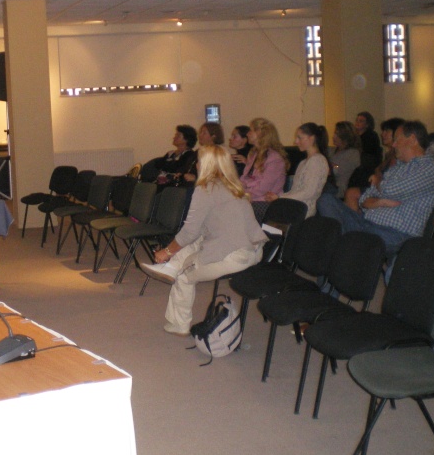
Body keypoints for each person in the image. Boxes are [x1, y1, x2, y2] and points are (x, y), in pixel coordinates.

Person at [140, 145, 267, 336]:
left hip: (233, 255)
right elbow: (198, 232)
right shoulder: (232, 186)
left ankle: (179, 324)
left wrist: (166, 251)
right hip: (253, 249)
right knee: (195, 242)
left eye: (199, 161)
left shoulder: (206, 189)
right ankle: (171, 266)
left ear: (206, 165)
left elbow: (189, 231)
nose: (197, 165)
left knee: (184, 276)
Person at [316, 120, 434, 257]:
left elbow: (391, 190)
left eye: (397, 140)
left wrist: (378, 183)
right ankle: (344, 245)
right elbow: (364, 199)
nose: (393, 145)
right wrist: (379, 202)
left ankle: (342, 246)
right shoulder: (398, 167)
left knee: (338, 235)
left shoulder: (429, 169)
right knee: (325, 199)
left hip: (395, 234)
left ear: (412, 139)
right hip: (366, 223)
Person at [266, 123, 330, 217]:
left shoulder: (317, 161)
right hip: (295, 207)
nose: (296, 141)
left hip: (303, 211)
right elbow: (295, 191)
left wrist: (280, 198)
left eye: (300, 138)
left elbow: (308, 192)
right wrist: (278, 196)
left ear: (311, 138)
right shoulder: (303, 163)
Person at [344, 117, 405, 211]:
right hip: (377, 187)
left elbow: (387, 176)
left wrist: (378, 175)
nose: (382, 134)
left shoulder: (399, 155)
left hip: (385, 190)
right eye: (383, 131)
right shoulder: (389, 154)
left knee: (351, 193)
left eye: (387, 131)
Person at [240, 117, 289, 222]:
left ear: (260, 133)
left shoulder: (274, 159)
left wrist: (244, 193)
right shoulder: (253, 154)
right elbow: (244, 179)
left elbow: (263, 188)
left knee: (235, 209)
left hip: (266, 202)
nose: (248, 134)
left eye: (251, 130)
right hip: (251, 198)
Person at [328, 121, 361, 199]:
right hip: (328, 185)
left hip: (338, 188)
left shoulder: (353, 154)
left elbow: (339, 171)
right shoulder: (332, 150)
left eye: (336, 134)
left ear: (345, 137)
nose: (333, 137)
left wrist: (329, 166)